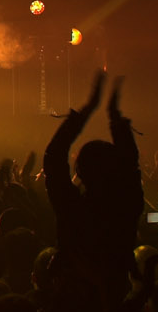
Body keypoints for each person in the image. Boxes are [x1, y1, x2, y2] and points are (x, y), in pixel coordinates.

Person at [43, 69, 142, 298]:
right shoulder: (127, 207)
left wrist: (87, 110)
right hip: (117, 298)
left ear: (79, 172)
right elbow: (130, 165)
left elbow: (54, 156)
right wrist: (115, 118)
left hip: (75, 301)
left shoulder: (72, 209)